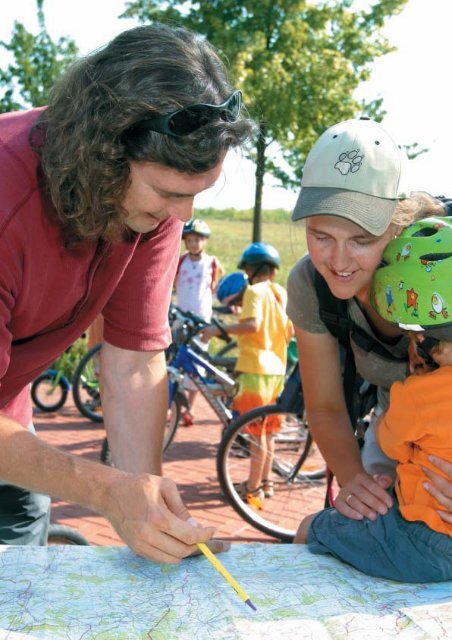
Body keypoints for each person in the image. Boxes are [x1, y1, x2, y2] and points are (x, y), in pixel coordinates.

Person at [0, 23, 253, 561]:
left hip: (9, 431)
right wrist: (106, 491)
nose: (183, 218)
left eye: (196, 196)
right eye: (169, 193)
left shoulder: (150, 209)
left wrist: (152, 512)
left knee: (23, 594)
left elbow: (136, 360)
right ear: (104, 152)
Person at [286, 116, 452, 527]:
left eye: (362, 240)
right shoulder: (311, 284)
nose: (339, 262)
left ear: (397, 226)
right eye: (321, 236)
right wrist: (356, 481)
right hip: (394, 443)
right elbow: (324, 404)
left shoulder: (443, 266)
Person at [294, 217, 452, 582]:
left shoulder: (416, 394)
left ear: (432, 345)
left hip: (422, 540)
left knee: (316, 528)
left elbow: (390, 442)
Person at [202, 242, 293, 508]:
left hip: (255, 369)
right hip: (277, 369)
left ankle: (251, 488)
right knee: (268, 432)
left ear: (251, 270)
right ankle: (267, 483)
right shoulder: (279, 293)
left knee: (254, 433)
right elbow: (288, 331)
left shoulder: (254, 292)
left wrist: (218, 331)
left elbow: (252, 325)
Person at [174, 218, 224, 425]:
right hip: (180, 316)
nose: (194, 244)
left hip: (200, 319)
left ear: (205, 241)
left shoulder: (211, 263)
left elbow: (218, 287)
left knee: (195, 364)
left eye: (198, 240)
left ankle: (190, 408)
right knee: (175, 359)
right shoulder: (180, 262)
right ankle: (174, 403)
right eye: (190, 240)